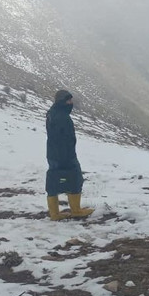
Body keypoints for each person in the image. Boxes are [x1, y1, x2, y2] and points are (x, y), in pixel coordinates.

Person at [45, 89, 94, 220]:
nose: (71, 102)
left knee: (53, 180)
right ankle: (76, 211)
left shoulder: (52, 113)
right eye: (68, 100)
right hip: (65, 154)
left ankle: (54, 214)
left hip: (52, 153)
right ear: (62, 101)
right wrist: (66, 155)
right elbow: (64, 139)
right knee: (75, 178)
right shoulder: (63, 117)